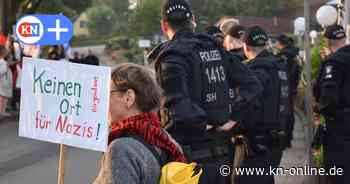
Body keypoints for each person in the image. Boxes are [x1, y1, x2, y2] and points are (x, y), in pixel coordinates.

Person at [154, 0, 262, 183]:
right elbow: (253, 85)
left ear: (164, 25)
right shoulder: (214, 48)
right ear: (193, 20)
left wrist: (205, 124)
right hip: (222, 154)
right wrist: (231, 118)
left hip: (189, 160)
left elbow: (178, 107)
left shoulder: (172, 56)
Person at [94, 63, 186, 184]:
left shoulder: (121, 148)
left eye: (106, 94)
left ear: (128, 98)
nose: (101, 101)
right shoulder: (165, 138)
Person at [237, 26, 291, 184]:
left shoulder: (255, 70)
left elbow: (249, 106)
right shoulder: (279, 66)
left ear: (245, 47)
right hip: (277, 140)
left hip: (258, 142)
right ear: (265, 44)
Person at [314, 25, 350, 184]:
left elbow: (328, 99)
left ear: (327, 42)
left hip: (341, 128)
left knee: (338, 171)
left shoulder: (334, 63)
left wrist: (318, 110)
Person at [275, 34, 301, 148]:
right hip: (293, 87)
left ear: (280, 43)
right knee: (290, 113)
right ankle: (288, 138)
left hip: (285, 87)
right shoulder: (294, 54)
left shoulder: (283, 56)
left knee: (285, 113)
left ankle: (285, 139)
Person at [0, 45, 13, 117]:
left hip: (4, 80)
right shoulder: (3, 62)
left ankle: (2, 111)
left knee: (3, 97)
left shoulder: (3, 61)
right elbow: (2, 71)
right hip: (3, 80)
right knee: (2, 97)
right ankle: (1, 111)